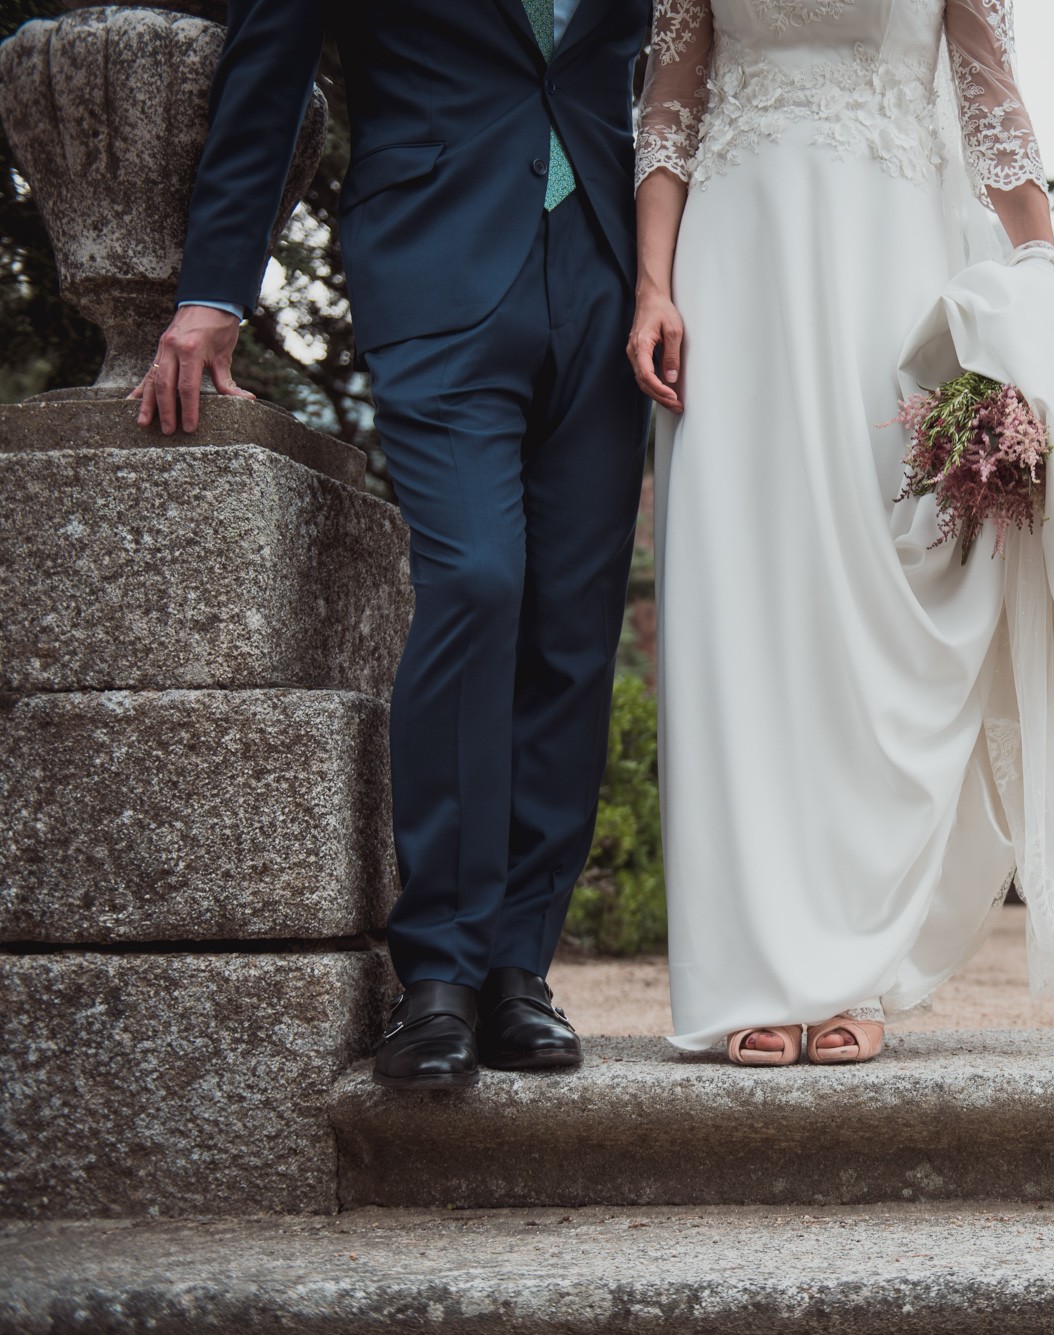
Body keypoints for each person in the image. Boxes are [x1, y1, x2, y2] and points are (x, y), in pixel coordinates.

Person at [629, 0, 1054, 1066]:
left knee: (886, 603)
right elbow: (670, 108)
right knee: (742, 603)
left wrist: (1040, 271)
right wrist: (653, 283)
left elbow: (986, 91)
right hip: (733, 266)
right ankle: (748, 971)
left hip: (891, 258)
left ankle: (851, 967)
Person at [136, 0, 652, 1089]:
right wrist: (216, 287)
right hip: (438, 266)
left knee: (571, 624)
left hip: (611, 282)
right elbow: (266, 73)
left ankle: (519, 974)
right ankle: (438, 977)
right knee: (475, 579)